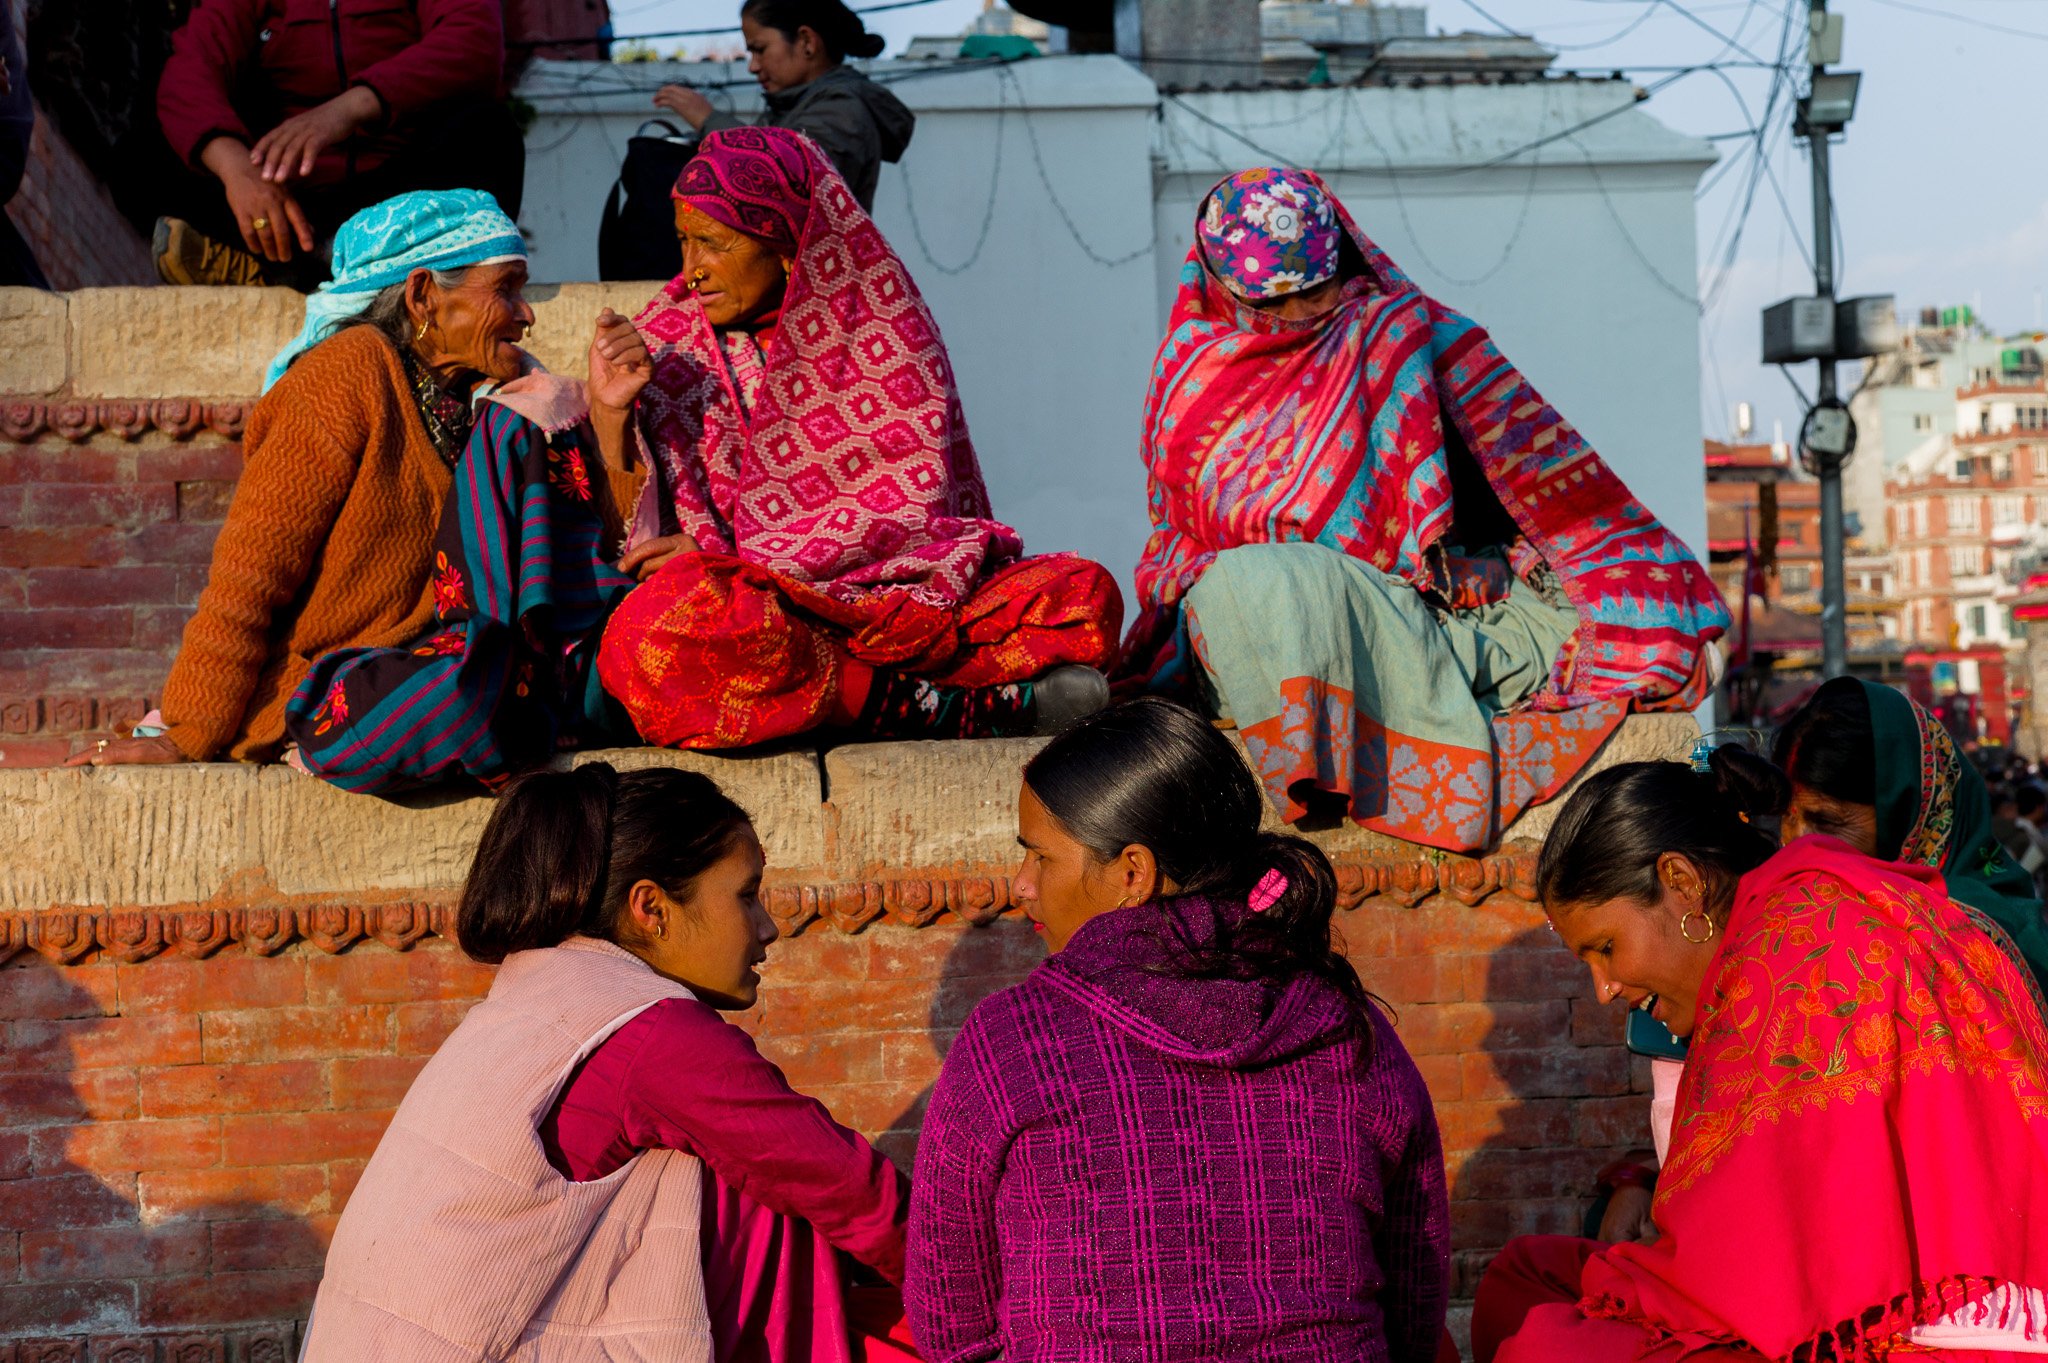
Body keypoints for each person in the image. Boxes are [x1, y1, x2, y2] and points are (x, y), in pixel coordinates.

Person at [1119, 167, 1729, 853]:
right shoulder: (1188, 371)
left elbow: (1538, 488)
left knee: (1572, 618)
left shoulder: (1402, 333)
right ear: (1218, 284)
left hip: (1419, 609)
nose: (1297, 318)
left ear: (1342, 263)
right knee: (1258, 586)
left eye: (1313, 293)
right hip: (1272, 615)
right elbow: (1185, 535)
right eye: (1272, 302)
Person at [301, 763, 915, 1360]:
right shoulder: (655, 1032)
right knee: (769, 1194)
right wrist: (983, 1289)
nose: (768, 927)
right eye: (747, 897)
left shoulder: (541, 990)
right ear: (651, 909)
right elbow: (848, 1188)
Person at [906, 698, 1452, 1362]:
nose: (1021, 885)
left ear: (1132, 872)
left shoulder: (1013, 1041)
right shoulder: (1349, 1027)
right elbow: (1415, 1313)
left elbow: (950, 1322)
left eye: (1040, 858)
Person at [72, 190, 651, 793]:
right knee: (460, 694)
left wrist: (610, 418)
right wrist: (187, 732)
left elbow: (586, 560)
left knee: (621, 654)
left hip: (477, 666)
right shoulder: (343, 375)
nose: (526, 314)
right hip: (347, 685)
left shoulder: (504, 407)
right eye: (505, 289)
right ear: (423, 295)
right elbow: (249, 578)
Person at [1473, 757, 2048, 1363]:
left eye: (1607, 949)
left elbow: (1747, 1276)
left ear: (1682, 881)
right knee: (1525, 1276)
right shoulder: (1795, 909)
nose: (1605, 989)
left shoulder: (1794, 950)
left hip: (1933, 1334)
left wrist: (1628, 1279)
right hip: (1856, 1296)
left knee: (1539, 1341)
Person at [598, 126, 1121, 748]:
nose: (690, 271)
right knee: (658, 626)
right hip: (758, 616)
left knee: (1080, 594)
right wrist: (609, 415)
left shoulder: (886, 325)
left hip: (893, 596)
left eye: (711, 244)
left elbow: (917, 515)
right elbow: (622, 537)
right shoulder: (664, 344)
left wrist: (757, 561)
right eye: (683, 241)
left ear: (787, 243)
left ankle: (863, 694)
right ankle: (947, 710)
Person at [151, 0, 523, 287]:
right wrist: (237, 170)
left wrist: (345, 112)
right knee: (145, 151)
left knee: (489, 132)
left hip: (397, 199)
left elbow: (473, 39)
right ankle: (295, 266)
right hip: (288, 201)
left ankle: (323, 268)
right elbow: (191, 68)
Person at [1773, 676, 2048, 994]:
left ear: (1907, 814)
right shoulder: (1786, 913)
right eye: (1784, 819)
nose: (1795, 844)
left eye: (1826, 822)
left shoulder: (1981, 937)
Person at [655, 0, 912, 212]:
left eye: (760, 49)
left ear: (806, 41)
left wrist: (709, 120)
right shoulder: (796, 106)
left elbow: (782, 183)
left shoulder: (842, 109)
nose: (753, 66)